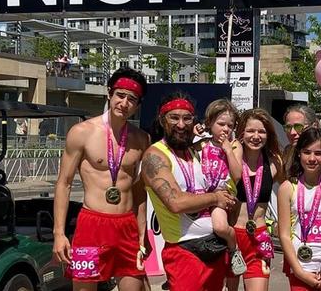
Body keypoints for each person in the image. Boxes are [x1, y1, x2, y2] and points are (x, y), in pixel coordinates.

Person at [53, 67, 150, 290]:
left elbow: (139, 190)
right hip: (91, 225)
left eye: (132, 99)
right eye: (120, 95)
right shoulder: (82, 132)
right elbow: (64, 183)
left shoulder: (141, 139)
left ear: (137, 105)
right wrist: (59, 234)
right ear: (109, 94)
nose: (124, 103)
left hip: (127, 226)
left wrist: (142, 232)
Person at [141, 93, 236, 291]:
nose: (181, 125)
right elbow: (176, 203)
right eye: (174, 118)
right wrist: (216, 198)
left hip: (215, 247)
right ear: (162, 120)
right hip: (184, 250)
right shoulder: (155, 155)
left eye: (187, 118)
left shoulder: (196, 151)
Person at [227, 108, 284, 291]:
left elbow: (287, 190)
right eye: (251, 131)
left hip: (259, 237)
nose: (256, 136)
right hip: (232, 236)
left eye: (262, 131)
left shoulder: (275, 162)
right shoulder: (230, 157)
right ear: (241, 132)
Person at [195, 99, 247, 275]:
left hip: (222, 195)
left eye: (230, 125)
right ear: (209, 123)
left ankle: (234, 248)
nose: (226, 129)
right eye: (221, 124)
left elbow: (237, 174)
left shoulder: (235, 146)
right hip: (202, 194)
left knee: (220, 227)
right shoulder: (202, 144)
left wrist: (228, 150)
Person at [278, 128, 321, 290]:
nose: (312, 158)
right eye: (306, 152)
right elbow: (284, 235)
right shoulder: (287, 188)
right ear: (298, 154)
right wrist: (298, 271)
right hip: (299, 267)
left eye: (318, 153)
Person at [267, 105, 318, 238]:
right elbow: (269, 181)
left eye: (299, 127)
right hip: (295, 228)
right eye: (288, 127)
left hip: (320, 226)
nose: (292, 132)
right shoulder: (287, 152)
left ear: (314, 126)